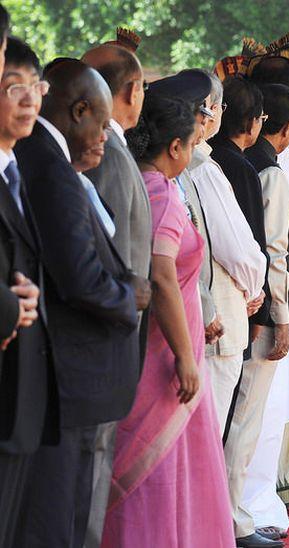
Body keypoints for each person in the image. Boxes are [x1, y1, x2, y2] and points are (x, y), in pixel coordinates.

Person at [14, 58, 149, 547]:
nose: (105, 136)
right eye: (101, 123)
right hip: (70, 374)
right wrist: (131, 295)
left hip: (78, 376)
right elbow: (80, 278)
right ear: (78, 111)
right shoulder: (49, 170)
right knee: (59, 523)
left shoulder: (58, 163)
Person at [102, 92, 235, 547]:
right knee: (154, 474)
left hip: (167, 349)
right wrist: (184, 357)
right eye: (193, 142)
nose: (195, 151)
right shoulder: (158, 193)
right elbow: (161, 275)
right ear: (174, 147)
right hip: (162, 359)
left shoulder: (143, 184)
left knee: (173, 470)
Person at [80, 42, 152, 547]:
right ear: (131, 90)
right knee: (91, 463)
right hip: (108, 326)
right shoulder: (103, 148)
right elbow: (104, 249)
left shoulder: (118, 145)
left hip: (120, 324)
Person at [0, 35, 59, 547]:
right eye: (10, 87)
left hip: (25, 394)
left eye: (32, 87)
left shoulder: (19, 168)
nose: (27, 100)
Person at [233, 83, 289, 547]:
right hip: (257, 313)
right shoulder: (268, 171)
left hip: (231, 307)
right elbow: (274, 251)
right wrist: (280, 318)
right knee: (244, 419)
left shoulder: (223, 163)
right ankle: (233, 519)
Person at [189, 73, 267, 437]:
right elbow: (239, 250)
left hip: (208, 315)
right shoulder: (202, 169)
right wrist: (255, 290)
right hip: (217, 315)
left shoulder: (200, 165)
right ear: (207, 115)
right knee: (207, 434)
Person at [150, 69, 224, 352]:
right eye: (202, 114)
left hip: (189, 313)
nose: (206, 123)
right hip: (169, 326)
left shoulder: (178, 171)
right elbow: (165, 272)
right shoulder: (161, 188)